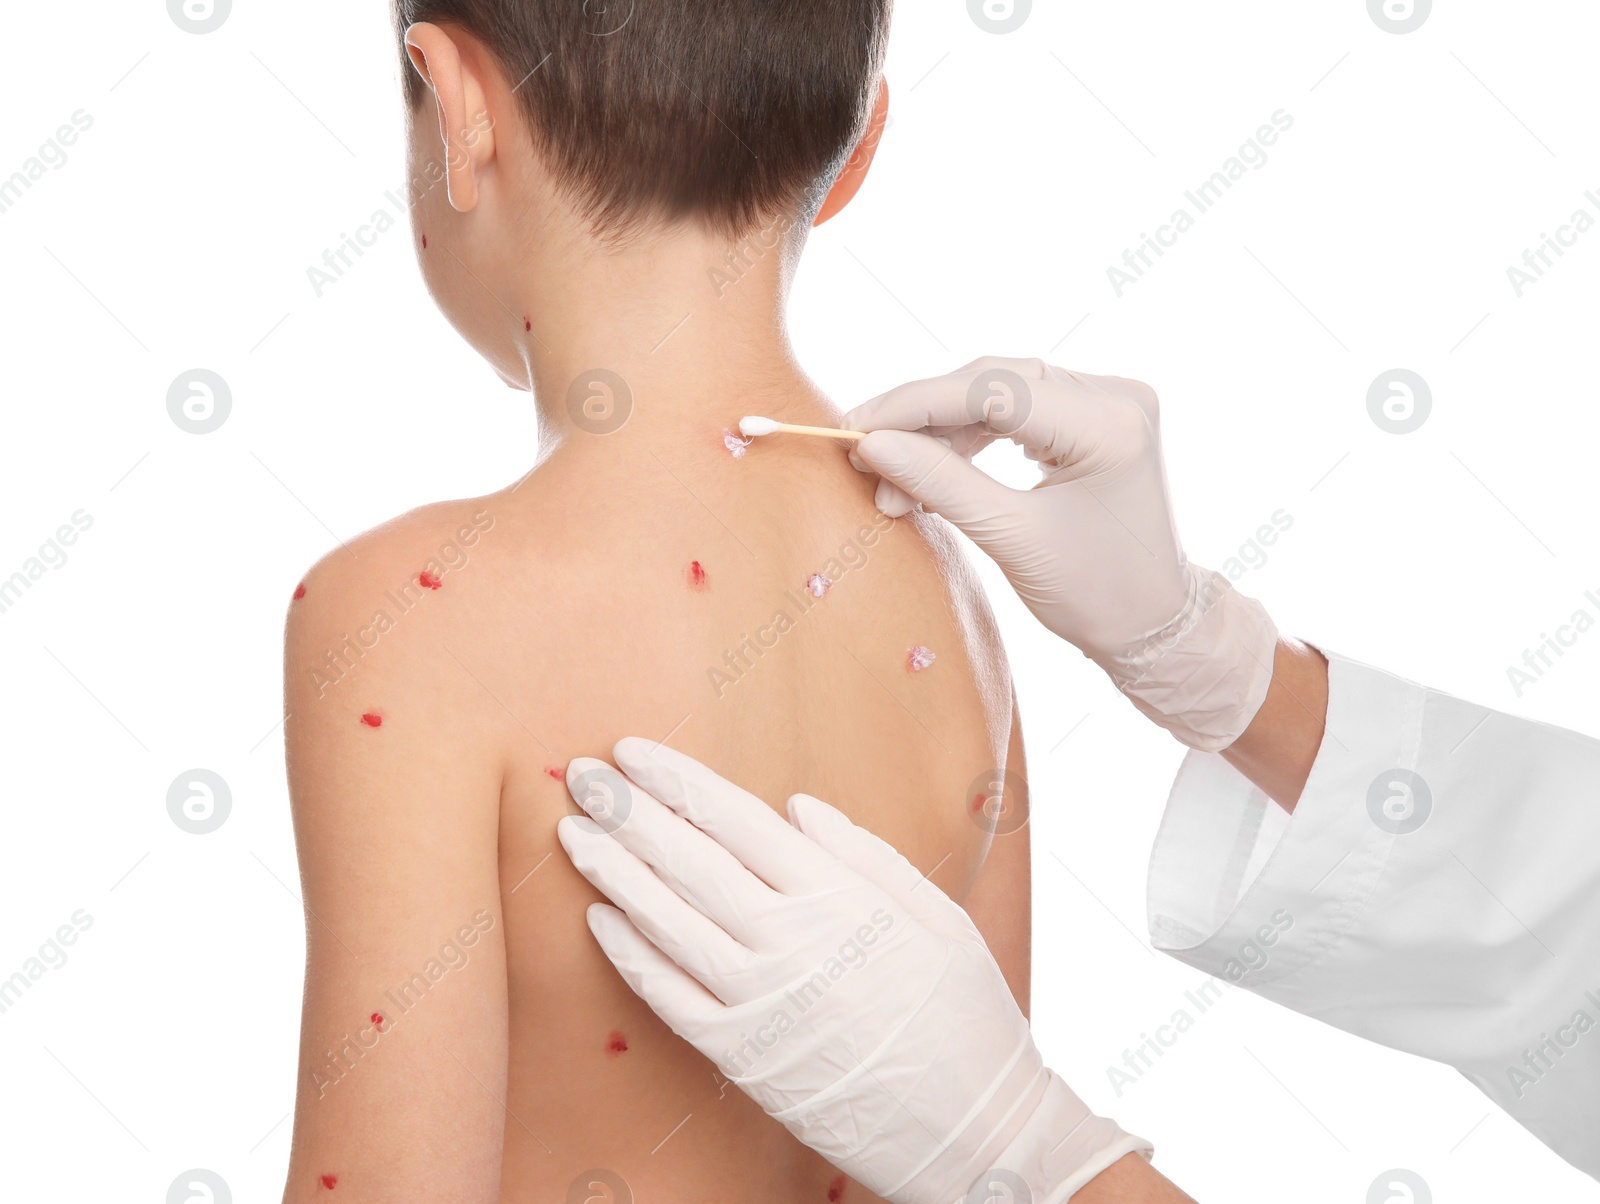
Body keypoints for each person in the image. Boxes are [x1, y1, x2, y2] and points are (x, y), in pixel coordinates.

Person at [276, 5, 1070, 1202]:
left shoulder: (410, 621)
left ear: (456, 106)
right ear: (859, 150)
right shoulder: (947, 596)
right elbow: (989, 1165)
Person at [559, 359, 1600, 1201]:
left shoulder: (436, 616)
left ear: (465, 115)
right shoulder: (925, 599)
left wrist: (1030, 1155)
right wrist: (1223, 666)